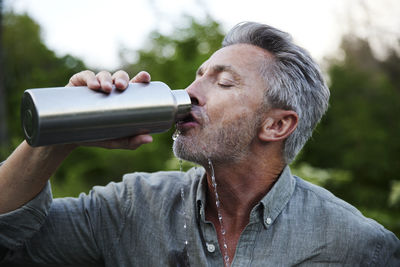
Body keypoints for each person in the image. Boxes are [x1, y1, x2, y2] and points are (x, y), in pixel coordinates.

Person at [0, 22, 399, 267]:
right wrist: (57, 138)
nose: (190, 92)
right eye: (198, 76)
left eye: (223, 82)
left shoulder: (355, 245)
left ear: (277, 124)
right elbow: (10, 246)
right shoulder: (131, 206)